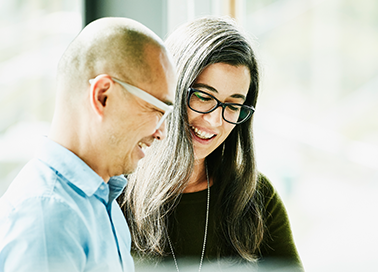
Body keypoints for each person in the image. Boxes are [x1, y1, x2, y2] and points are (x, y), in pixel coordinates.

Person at [0, 17, 176, 272]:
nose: (161, 133)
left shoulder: (99, 202)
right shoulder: (48, 218)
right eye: (156, 110)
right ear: (102, 96)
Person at [121, 16, 303, 271]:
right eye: (204, 97)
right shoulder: (115, 193)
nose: (215, 121)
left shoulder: (256, 197)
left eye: (233, 105)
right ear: (169, 89)